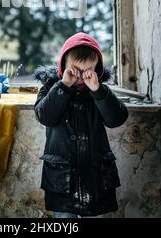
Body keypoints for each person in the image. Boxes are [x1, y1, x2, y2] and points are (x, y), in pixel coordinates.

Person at [34, 32, 129, 218]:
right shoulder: (51, 87)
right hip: (62, 180)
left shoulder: (98, 90)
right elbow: (45, 117)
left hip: (96, 178)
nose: (80, 77)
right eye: (75, 70)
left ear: (96, 69)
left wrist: (97, 90)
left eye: (87, 71)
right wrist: (63, 86)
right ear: (63, 66)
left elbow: (117, 119)